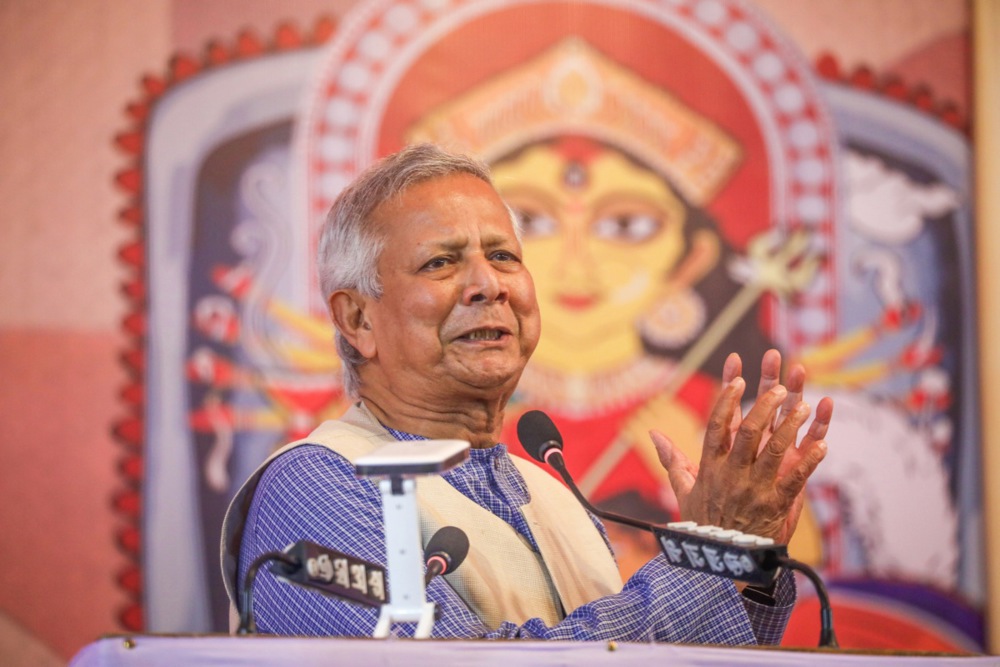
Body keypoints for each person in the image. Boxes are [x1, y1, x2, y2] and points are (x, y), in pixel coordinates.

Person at [221, 143, 833, 643]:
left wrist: (747, 560)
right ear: (357, 320)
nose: (489, 285)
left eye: (504, 255)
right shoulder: (317, 486)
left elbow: (671, 661)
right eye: (440, 263)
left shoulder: (551, 492)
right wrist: (706, 555)